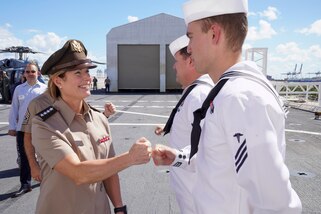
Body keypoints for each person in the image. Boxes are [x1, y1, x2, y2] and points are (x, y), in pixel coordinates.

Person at [152, 0, 302, 213]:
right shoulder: (228, 93)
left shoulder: (240, 98)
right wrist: (178, 157)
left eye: (191, 37)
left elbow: (275, 204)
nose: (190, 48)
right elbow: (217, 159)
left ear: (214, 34)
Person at [31, 39, 151, 214]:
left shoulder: (99, 119)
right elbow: (78, 173)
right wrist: (130, 157)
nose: (87, 78)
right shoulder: (45, 124)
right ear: (58, 81)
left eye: (87, 71)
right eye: (78, 73)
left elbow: (110, 171)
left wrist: (119, 208)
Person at [154, 35, 213, 213]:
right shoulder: (194, 92)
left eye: (177, 60)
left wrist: (177, 157)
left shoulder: (199, 95)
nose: (173, 66)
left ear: (190, 62)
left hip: (197, 197)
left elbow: (209, 149)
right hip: (190, 190)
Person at [22, 90, 117, 182]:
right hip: (53, 167)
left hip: (83, 164)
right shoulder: (37, 103)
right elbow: (28, 136)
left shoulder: (75, 97)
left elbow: (87, 123)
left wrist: (105, 115)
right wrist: (33, 165)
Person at [8, 60, 47, 198]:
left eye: (33, 71)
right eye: (27, 72)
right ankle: (25, 184)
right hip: (23, 130)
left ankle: (48, 181)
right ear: (24, 74)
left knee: (45, 156)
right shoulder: (19, 89)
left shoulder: (45, 89)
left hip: (41, 128)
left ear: (38, 73)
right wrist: (12, 127)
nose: (30, 74)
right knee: (23, 157)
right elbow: (14, 109)